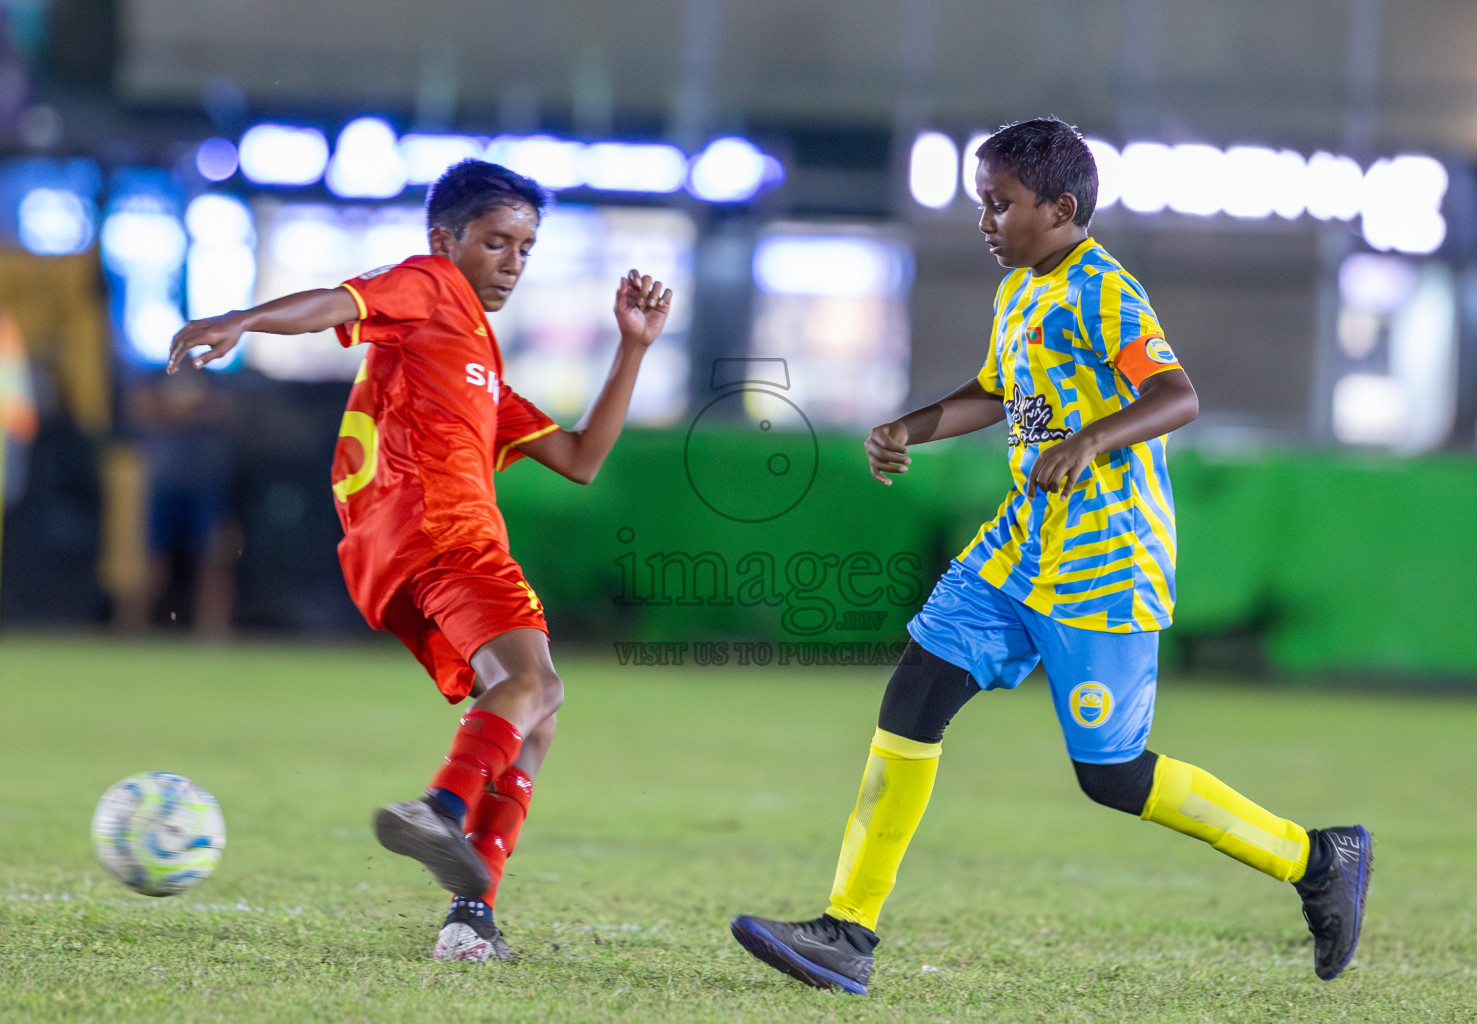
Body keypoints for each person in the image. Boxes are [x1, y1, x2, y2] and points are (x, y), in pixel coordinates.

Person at [729, 118, 1371, 994]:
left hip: (1106, 563)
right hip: (1017, 548)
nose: (985, 222)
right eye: (981, 205)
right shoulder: (1021, 291)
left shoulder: (1102, 288)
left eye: (1000, 205)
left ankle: (1315, 859)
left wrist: (1093, 441)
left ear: (1059, 208)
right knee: (914, 694)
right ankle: (848, 931)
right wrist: (909, 426)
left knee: (1112, 776)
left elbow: (1178, 395)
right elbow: (997, 392)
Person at [168, 159, 673, 962]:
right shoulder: (432, 285)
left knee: (533, 718)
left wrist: (633, 348)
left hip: (395, 559)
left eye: (525, 248)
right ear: (446, 239)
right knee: (536, 685)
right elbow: (343, 301)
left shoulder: (474, 355)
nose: (511, 260)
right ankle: (440, 805)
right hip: (445, 535)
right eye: (496, 242)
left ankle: (470, 919)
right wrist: (242, 319)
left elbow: (580, 458)